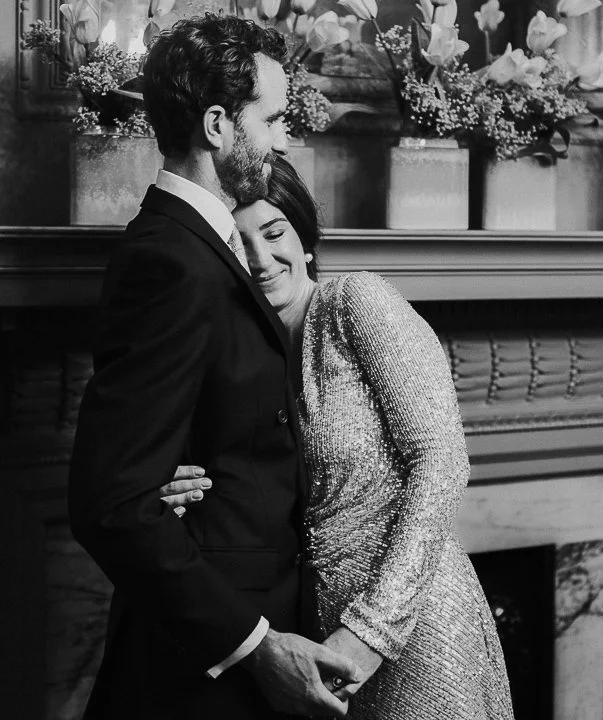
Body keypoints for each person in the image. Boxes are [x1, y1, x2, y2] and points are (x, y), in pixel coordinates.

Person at [67, 16, 359, 720]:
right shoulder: (170, 260)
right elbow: (109, 504)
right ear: (220, 124)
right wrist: (257, 646)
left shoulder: (211, 244)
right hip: (199, 675)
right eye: (275, 118)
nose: (285, 138)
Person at [164, 158, 515, 719]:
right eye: (238, 244)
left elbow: (442, 458)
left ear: (305, 238)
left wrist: (373, 630)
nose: (259, 260)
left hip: (415, 623)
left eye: (274, 233)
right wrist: (172, 490)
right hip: (312, 638)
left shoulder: (356, 302)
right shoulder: (237, 360)